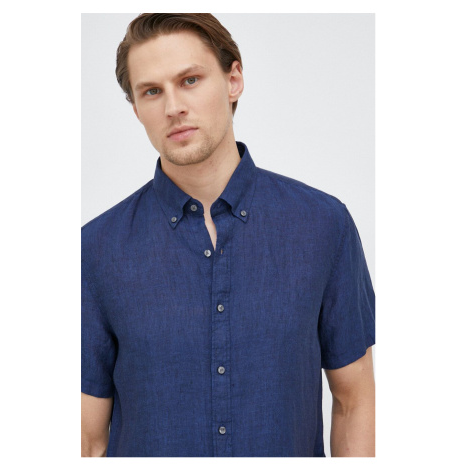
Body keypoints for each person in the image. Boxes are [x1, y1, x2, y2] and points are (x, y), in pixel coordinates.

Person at [81, 13, 375, 458]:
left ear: (233, 80)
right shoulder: (96, 250)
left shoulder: (322, 225)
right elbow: (86, 440)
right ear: (136, 108)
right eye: (152, 91)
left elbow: (354, 401)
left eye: (190, 80)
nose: (173, 107)